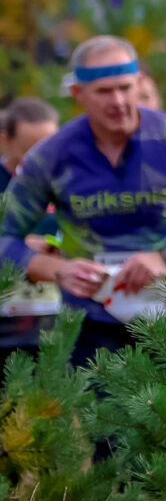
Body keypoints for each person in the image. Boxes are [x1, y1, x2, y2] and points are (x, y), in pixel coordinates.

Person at [0, 38, 166, 367]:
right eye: (103, 91)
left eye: (125, 87)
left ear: (139, 83)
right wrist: (58, 270)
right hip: (88, 326)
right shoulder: (52, 155)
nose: (117, 101)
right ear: (78, 93)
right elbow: (5, 237)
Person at [0, 97, 63, 356]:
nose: (40, 162)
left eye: (48, 149)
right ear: (5, 140)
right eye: (29, 151)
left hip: (56, 319)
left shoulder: (67, 183)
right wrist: (17, 248)